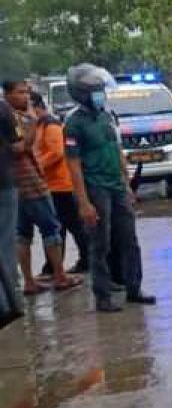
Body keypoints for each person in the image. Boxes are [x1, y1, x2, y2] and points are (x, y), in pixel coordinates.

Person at [63, 64, 156, 312]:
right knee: (100, 242)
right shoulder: (73, 124)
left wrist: (127, 184)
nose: (100, 95)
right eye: (96, 91)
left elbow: (117, 150)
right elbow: (73, 166)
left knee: (129, 239)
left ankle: (134, 288)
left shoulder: (107, 115)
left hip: (116, 185)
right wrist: (83, 202)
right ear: (82, 93)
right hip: (95, 188)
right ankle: (102, 295)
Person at [3, 80, 77, 294]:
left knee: (22, 233)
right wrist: (33, 123)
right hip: (29, 181)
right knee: (51, 228)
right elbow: (21, 147)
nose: (25, 97)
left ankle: (29, 281)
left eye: (26, 92)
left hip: (14, 184)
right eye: (19, 92)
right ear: (6, 94)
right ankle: (59, 276)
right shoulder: (11, 117)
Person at [30, 92, 89, 277]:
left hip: (61, 186)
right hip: (51, 185)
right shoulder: (38, 125)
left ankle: (85, 260)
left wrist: (35, 166)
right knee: (61, 227)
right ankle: (56, 266)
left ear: (36, 106)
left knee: (72, 226)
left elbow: (56, 152)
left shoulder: (51, 125)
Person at [0, 95, 22, 324]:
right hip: (4, 184)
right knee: (5, 244)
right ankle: (9, 303)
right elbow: (19, 145)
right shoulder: (3, 109)